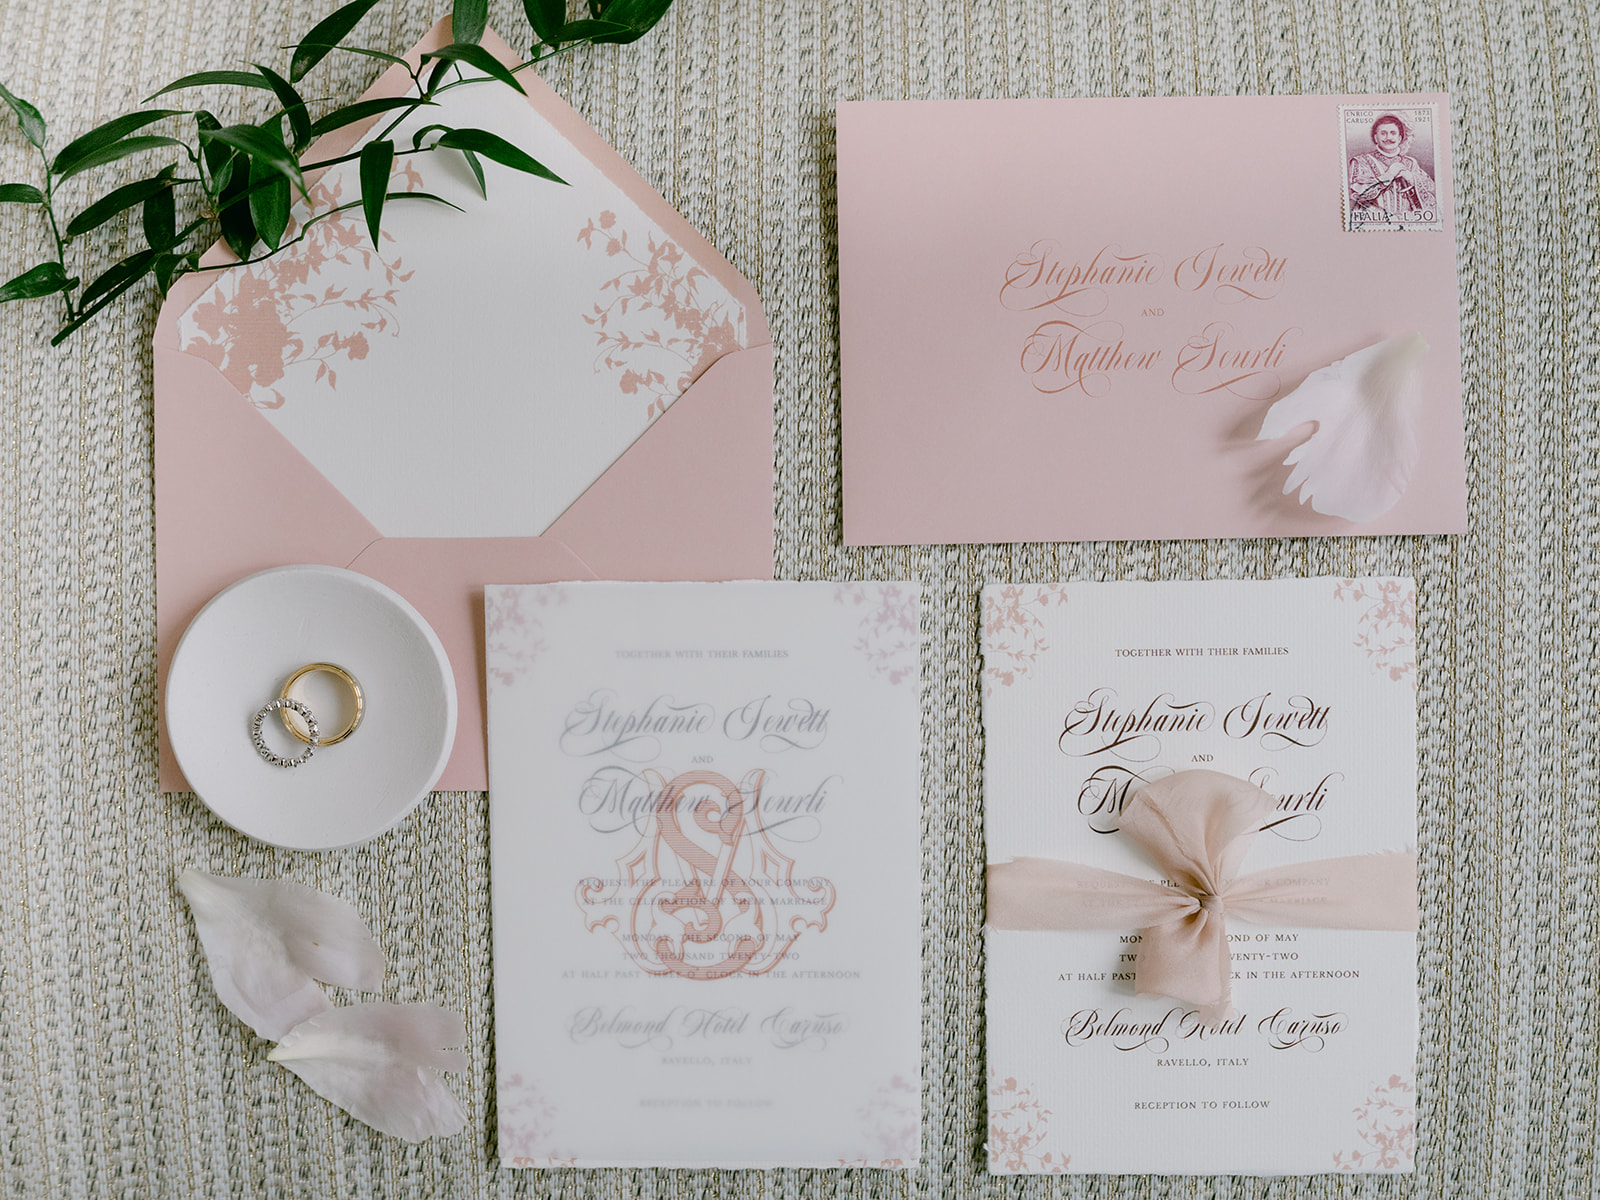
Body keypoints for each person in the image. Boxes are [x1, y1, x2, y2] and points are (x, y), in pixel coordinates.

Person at [1348, 113, 1438, 219]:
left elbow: (1433, 189)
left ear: (1399, 138)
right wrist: (1388, 175)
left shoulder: (1410, 163)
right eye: (1383, 133)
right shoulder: (1361, 162)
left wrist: (1411, 177)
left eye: (1393, 133)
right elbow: (1357, 196)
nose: (1388, 138)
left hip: (1408, 222)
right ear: (1376, 138)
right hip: (1374, 222)